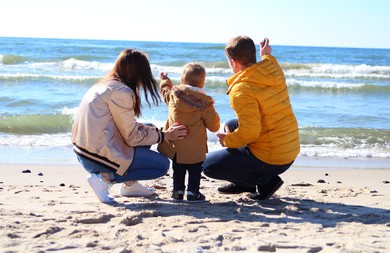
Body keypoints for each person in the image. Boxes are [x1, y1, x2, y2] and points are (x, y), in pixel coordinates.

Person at [72, 49, 188, 203]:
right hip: (95, 157)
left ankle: (130, 186)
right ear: (137, 72)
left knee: (149, 127)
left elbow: (126, 127)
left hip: (86, 151)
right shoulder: (121, 92)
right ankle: (104, 179)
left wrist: (159, 132)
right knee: (161, 165)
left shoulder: (106, 85)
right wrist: (165, 135)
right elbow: (133, 138)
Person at [202, 37, 300, 200]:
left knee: (208, 166)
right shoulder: (272, 68)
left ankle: (266, 181)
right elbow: (268, 59)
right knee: (232, 124)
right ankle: (244, 184)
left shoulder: (241, 90)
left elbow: (251, 132)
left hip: (273, 157)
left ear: (233, 62)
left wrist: (228, 140)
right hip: (290, 147)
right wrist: (266, 54)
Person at [158, 62, 220, 202]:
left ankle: (177, 192)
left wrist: (165, 80)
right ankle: (193, 192)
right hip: (196, 148)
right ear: (202, 83)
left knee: (178, 169)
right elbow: (214, 126)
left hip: (177, 146)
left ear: (182, 81)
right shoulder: (204, 103)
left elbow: (165, 91)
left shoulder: (174, 95)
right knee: (195, 170)